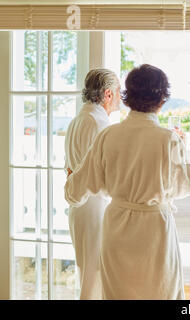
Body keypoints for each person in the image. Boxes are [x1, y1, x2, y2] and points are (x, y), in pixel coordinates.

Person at [64, 64, 190, 299]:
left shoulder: (108, 135)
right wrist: (182, 146)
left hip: (117, 228)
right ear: (162, 99)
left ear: (126, 97)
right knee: (160, 291)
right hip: (155, 230)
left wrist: (70, 181)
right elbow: (185, 186)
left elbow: (75, 191)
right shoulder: (168, 140)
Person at [64, 68, 121, 299]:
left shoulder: (77, 121)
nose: (121, 97)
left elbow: (70, 170)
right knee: (95, 275)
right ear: (108, 94)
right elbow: (105, 175)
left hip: (79, 208)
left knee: (87, 271)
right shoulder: (99, 124)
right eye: (119, 92)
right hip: (96, 207)